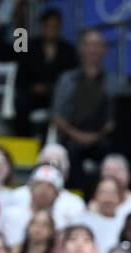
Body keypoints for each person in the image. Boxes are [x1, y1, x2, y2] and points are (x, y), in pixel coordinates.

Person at [51, 28, 115, 192]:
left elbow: (113, 119)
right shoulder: (67, 79)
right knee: (69, 154)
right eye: (88, 45)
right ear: (81, 49)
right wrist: (78, 135)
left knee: (113, 155)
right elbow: (57, 116)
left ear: (105, 50)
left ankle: (104, 195)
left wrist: (96, 136)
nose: (92, 49)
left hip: (101, 139)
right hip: (70, 138)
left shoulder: (114, 82)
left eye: (97, 45)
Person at [12, 7, 76, 138]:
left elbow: (73, 77)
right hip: (33, 95)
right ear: (42, 26)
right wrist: (33, 88)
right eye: (49, 26)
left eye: (55, 26)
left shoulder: (68, 50)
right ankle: (24, 139)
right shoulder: (29, 47)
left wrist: (55, 89)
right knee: (21, 102)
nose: (52, 30)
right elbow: (21, 77)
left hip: (59, 96)